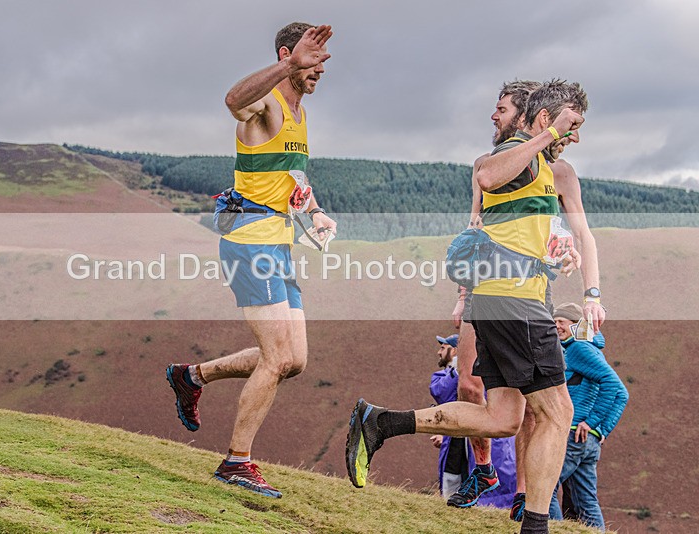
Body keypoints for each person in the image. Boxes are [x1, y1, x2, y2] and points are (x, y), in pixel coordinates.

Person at [346, 80, 589, 534]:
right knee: (559, 412)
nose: (572, 134)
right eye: (569, 124)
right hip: (514, 299)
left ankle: (379, 421)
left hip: (502, 297)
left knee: (502, 419)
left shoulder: (537, 165)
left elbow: (505, 227)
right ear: (539, 118)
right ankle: (535, 525)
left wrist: (559, 252)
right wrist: (550, 134)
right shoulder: (517, 152)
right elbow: (486, 177)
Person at [166, 22, 336, 499]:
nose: (321, 68)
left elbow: (291, 177)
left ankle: (191, 376)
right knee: (277, 356)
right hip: (249, 242)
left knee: (293, 360)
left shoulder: (300, 116)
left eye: (325, 60)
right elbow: (232, 100)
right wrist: (287, 66)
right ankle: (236, 462)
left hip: (278, 244)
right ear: (288, 54)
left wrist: (316, 213)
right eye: (313, 58)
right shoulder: (265, 107)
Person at [451, 80, 605, 522]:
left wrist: (586, 284)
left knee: (539, 406)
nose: (494, 116)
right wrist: (463, 292)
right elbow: (475, 229)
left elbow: (574, 233)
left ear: (524, 115)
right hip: (486, 286)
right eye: (570, 125)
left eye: (501, 109)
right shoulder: (489, 163)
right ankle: (483, 471)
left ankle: (527, 498)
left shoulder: (559, 172)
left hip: (532, 291)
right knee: (473, 387)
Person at [548, 303, 628, 531]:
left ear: (576, 325)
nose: (556, 326)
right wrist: (601, 430)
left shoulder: (577, 349)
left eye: (561, 322)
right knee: (586, 501)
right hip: (588, 441)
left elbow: (615, 386)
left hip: (574, 434)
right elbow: (621, 395)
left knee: (546, 486)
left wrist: (593, 423)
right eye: (554, 322)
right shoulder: (590, 348)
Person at [429, 334, 517, 507]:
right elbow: (441, 393)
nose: (439, 352)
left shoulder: (491, 371)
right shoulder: (445, 374)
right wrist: (459, 371)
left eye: (443, 347)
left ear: (455, 350)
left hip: (492, 443)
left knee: (495, 494)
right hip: (456, 446)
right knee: (453, 491)